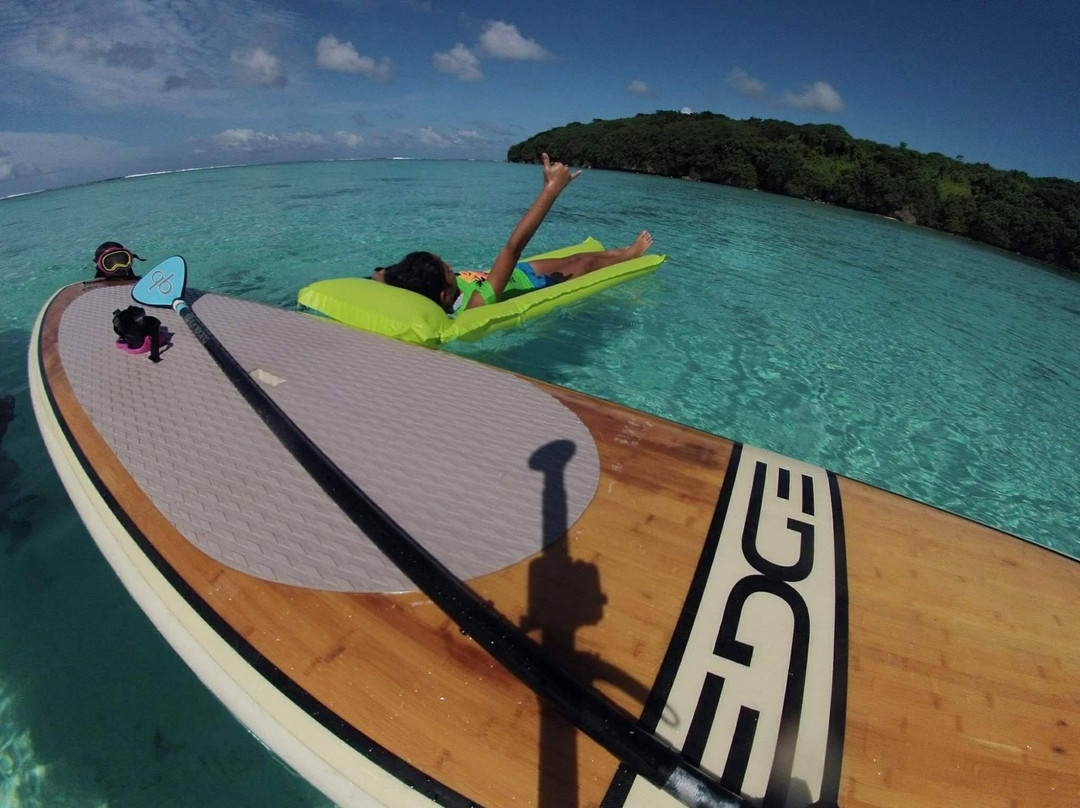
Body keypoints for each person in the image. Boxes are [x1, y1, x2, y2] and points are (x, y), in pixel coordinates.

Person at [378, 154, 653, 314]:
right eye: (446, 269)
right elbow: (513, 247)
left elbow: (381, 275)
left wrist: (384, 275)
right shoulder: (475, 304)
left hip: (516, 273)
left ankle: (619, 252)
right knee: (583, 263)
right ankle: (629, 254)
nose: (449, 265)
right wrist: (551, 191)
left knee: (575, 256)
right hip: (523, 283)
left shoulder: (413, 281)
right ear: (443, 296)